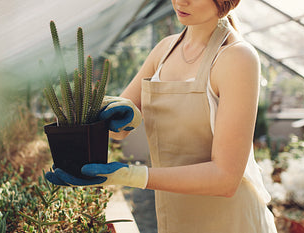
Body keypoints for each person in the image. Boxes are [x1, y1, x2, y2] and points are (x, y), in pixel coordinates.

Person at [47, 0, 278, 232]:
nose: (180, 1)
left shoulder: (236, 57)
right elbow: (117, 132)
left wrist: (130, 175)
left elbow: (225, 179)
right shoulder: (164, 50)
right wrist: (115, 118)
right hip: (175, 216)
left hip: (231, 220)